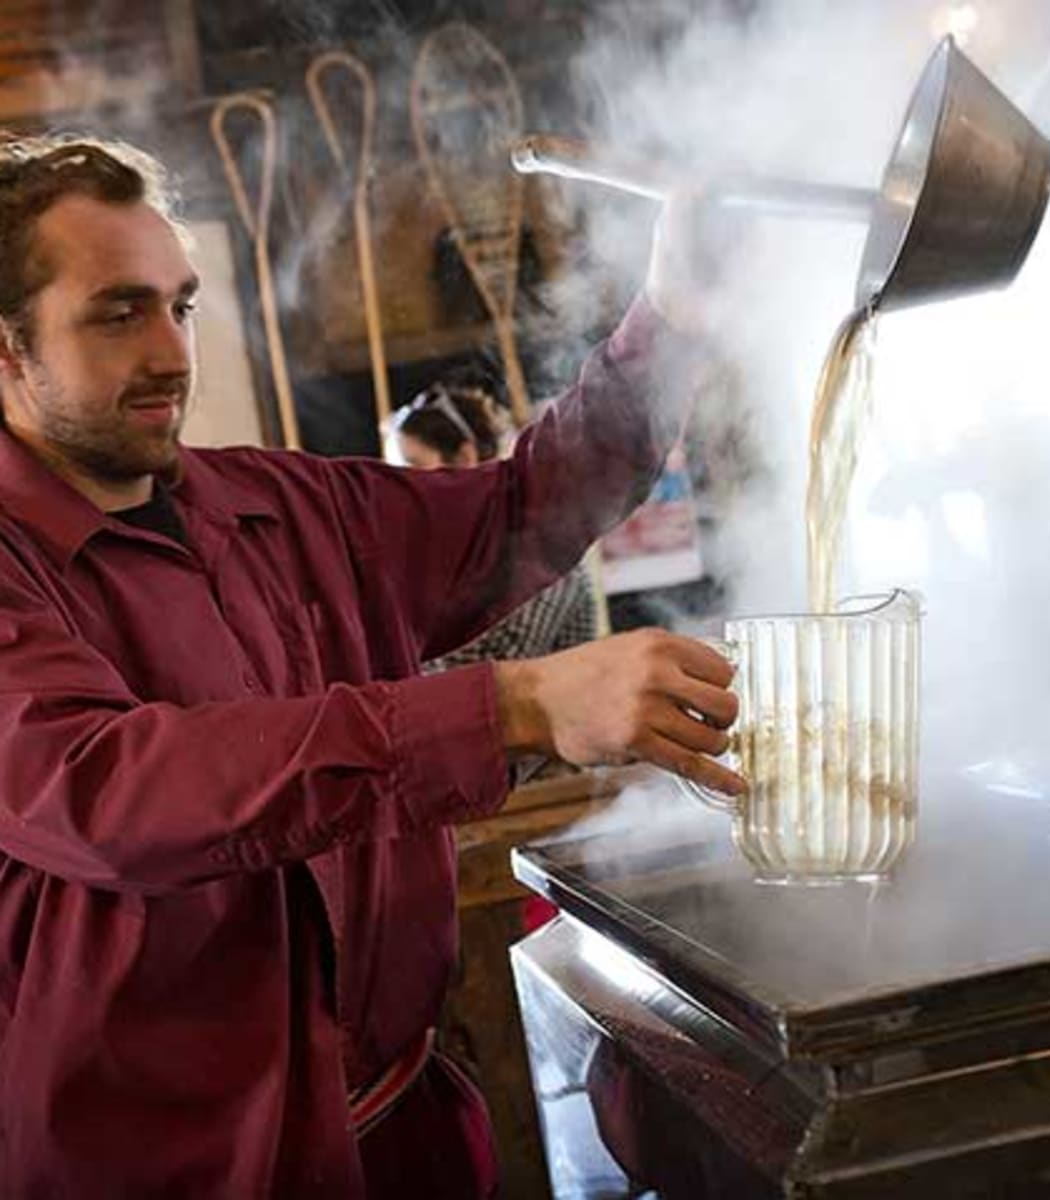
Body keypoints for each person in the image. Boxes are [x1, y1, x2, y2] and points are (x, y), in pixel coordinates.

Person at [0, 133, 745, 1199]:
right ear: (8, 348)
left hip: (405, 1139)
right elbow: (114, 789)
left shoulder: (282, 508)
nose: (171, 354)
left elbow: (520, 510)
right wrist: (511, 706)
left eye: (183, 306)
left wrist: (671, 321)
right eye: (119, 313)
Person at [382, 375, 599, 676]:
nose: (398, 490)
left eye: (412, 467)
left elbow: (492, 674)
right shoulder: (431, 558)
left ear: (464, 456)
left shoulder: (530, 548)